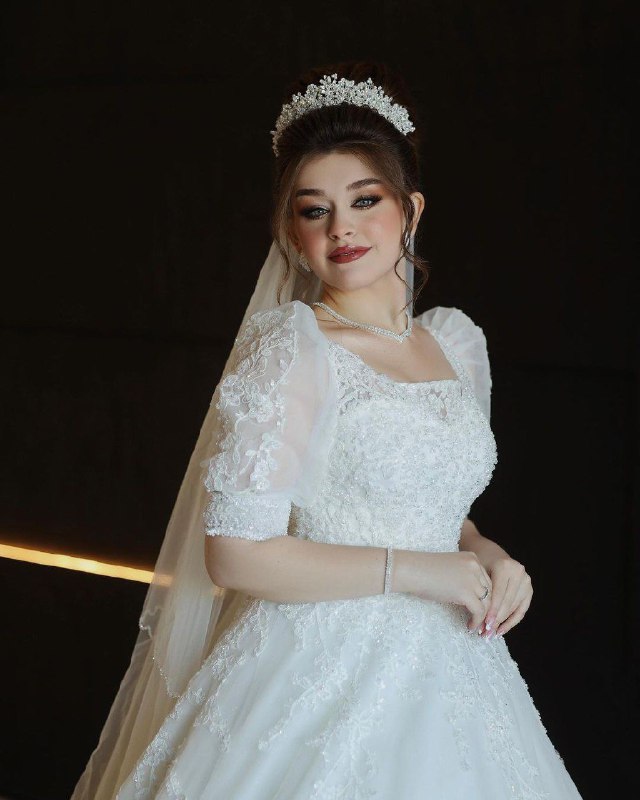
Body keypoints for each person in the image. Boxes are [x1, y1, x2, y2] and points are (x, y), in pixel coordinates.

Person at [72, 61, 584, 799]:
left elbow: (440, 510)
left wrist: (486, 553)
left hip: (459, 669)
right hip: (317, 665)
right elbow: (236, 553)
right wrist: (416, 571)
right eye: (314, 210)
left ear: (410, 209)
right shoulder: (295, 348)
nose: (341, 227)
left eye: (364, 200)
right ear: (292, 231)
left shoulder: (454, 344)